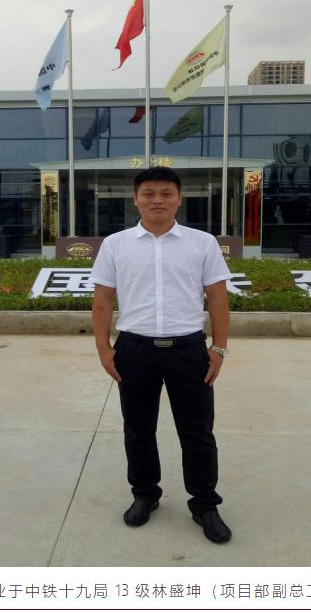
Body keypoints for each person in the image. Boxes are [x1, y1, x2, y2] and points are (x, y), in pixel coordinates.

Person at [89, 166, 232, 543]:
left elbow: (218, 298)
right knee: (138, 428)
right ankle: (144, 495)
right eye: (149, 193)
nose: (157, 200)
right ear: (135, 199)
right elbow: (102, 300)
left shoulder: (202, 243)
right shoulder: (115, 245)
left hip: (189, 350)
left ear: (179, 199)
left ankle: (205, 504)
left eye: (166, 193)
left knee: (197, 431)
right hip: (134, 349)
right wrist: (104, 348)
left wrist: (218, 347)